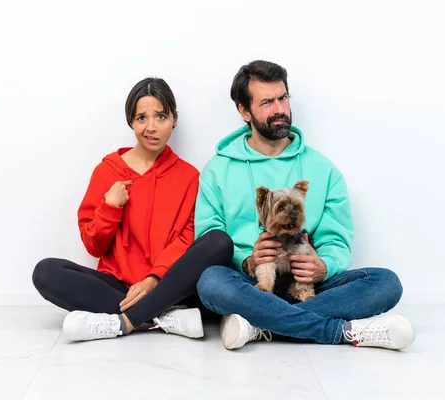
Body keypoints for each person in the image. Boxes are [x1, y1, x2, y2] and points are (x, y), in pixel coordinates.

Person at [195, 60, 415, 350]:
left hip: (309, 288)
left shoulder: (323, 169)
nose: (279, 109)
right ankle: (341, 331)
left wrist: (323, 266)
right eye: (266, 102)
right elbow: (207, 241)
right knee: (210, 282)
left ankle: (260, 325)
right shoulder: (217, 170)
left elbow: (337, 241)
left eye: (283, 98)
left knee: (386, 283)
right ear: (244, 111)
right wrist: (247, 261)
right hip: (251, 285)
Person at [32, 77, 232, 342]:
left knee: (219, 242)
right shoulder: (108, 172)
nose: (151, 127)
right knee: (45, 272)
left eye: (161, 116)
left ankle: (125, 321)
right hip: (118, 286)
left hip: (167, 283)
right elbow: (94, 246)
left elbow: (187, 237)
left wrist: (153, 279)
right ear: (131, 122)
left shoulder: (189, 176)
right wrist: (109, 208)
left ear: (174, 119)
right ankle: (163, 318)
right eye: (141, 118)